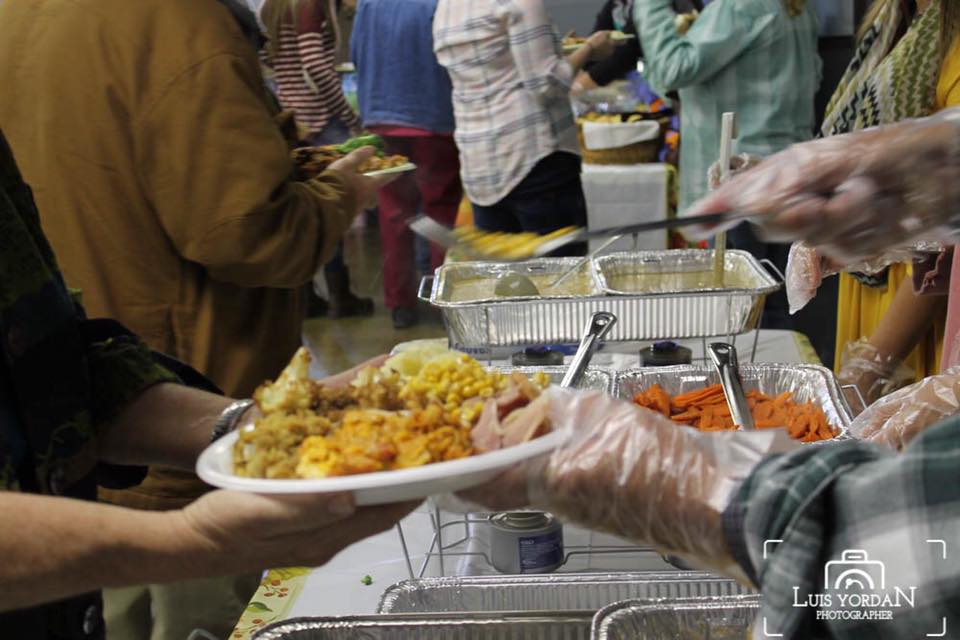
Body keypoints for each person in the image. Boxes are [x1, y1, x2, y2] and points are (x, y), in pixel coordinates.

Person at [0, 0, 390, 637]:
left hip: (102, 477)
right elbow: (247, 234)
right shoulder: (176, 19)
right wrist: (340, 194)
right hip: (181, 454)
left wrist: (246, 421)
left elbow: (40, 342)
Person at [822, 0, 960, 397]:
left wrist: (874, 364)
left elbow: (949, 232)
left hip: (916, 310)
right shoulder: (890, 19)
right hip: (872, 290)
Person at [433, 0, 616, 256]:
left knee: (503, 287)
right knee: (561, 286)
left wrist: (557, 49)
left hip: (480, 164)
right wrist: (589, 49)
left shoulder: (448, 5)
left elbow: (495, 63)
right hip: (534, 158)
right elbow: (546, 84)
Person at [351, 0, 462, 330]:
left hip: (381, 115)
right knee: (440, 213)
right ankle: (447, 301)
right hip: (431, 117)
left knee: (393, 214)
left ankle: (400, 304)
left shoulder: (368, 4)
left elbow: (355, 52)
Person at [262, 0, 375, 319]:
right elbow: (314, 62)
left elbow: (264, 58)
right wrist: (348, 114)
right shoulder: (310, 4)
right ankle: (341, 296)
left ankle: (309, 298)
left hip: (291, 119)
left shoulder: (272, 6)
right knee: (332, 205)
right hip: (321, 119)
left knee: (301, 209)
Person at [573, 0, 703, 93]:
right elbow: (598, 44)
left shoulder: (649, 5)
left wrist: (581, 85)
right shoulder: (617, 5)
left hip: (684, 81)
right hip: (657, 83)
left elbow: (631, 49)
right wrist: (581, 56)